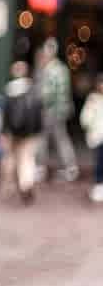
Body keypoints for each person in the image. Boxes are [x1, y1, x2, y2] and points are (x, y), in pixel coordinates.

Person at [37, 38, 79, 182]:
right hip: (61, 110)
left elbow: (46, 94)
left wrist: (38, 103)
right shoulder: (62, 68)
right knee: (61, 138)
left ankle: (41, 168)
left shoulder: (50, 70)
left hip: (50, 111)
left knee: (43, 139)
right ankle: (71, 167)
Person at [0, 60, 42, 203]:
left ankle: (9, 186)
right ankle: (26, 184)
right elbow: (38, 112)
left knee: (10, 158)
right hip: (28, 133)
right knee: (26, 159)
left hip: (13, 132)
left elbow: (4, 114)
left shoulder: (9, 90)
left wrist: (4, 131)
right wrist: (37, 131)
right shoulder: (33, 89)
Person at [80, 74, 103, 204]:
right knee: (99, 162)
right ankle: (99, 185)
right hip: (98, 137)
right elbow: (85, 119)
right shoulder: (93, 100)